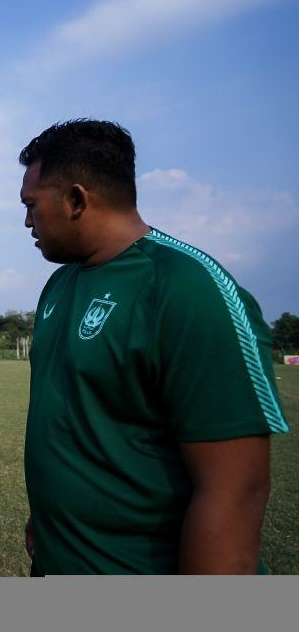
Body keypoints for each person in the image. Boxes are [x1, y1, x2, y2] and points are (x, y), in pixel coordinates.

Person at [19, 119, 289, 575]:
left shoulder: (187, 290)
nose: (26, 220)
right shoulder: (60, 284)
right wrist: (50, 516)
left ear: (76, 199)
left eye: (31, 204)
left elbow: (234, 492)